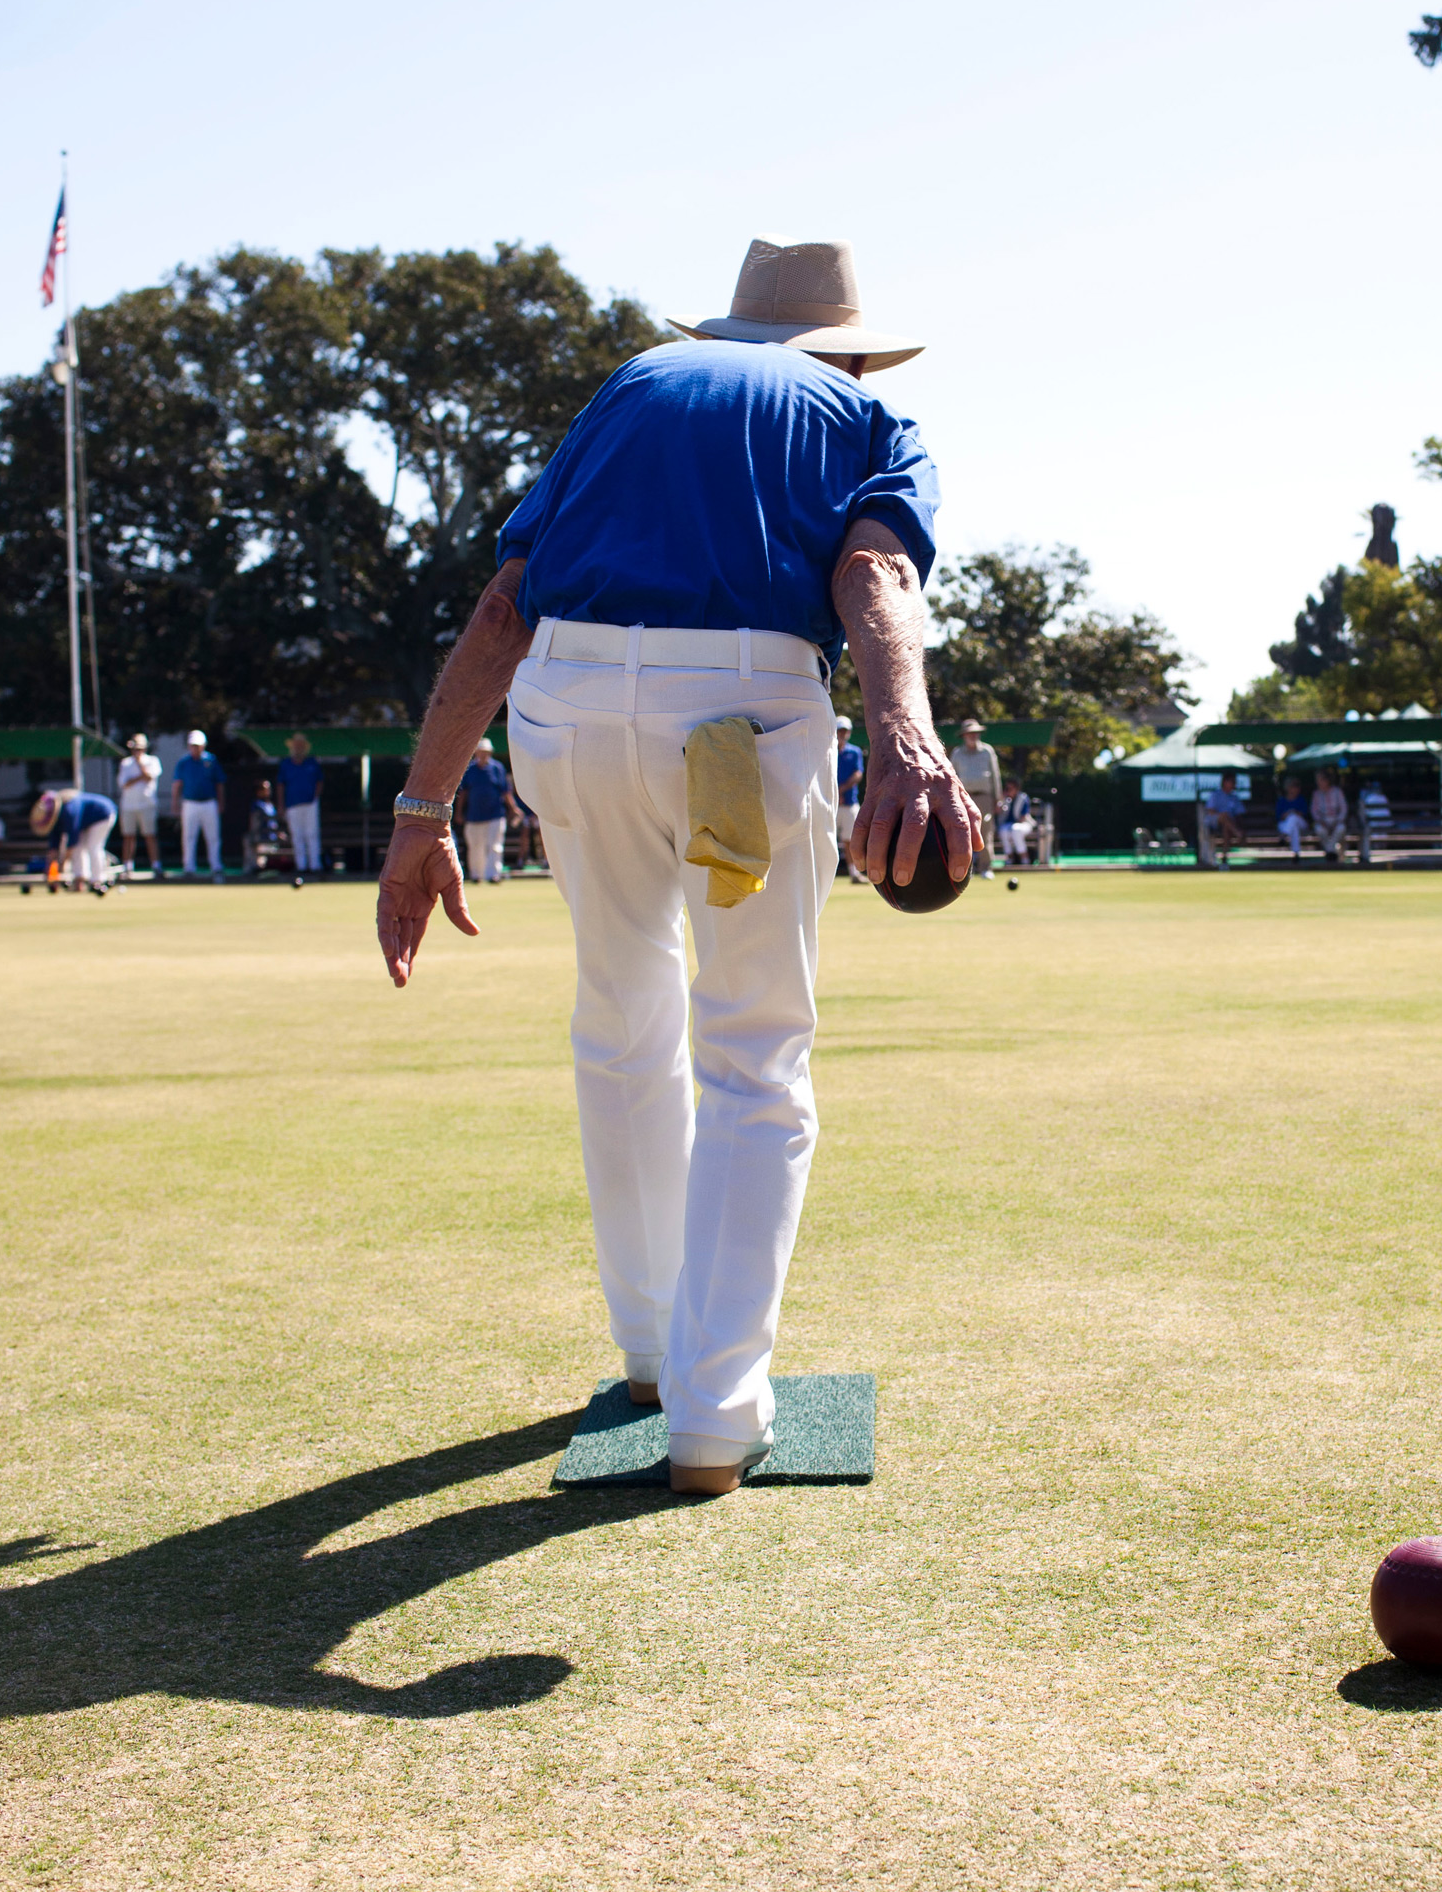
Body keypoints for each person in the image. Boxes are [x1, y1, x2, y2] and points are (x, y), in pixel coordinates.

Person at [374, 235, 974, 1497]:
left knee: (620, 1014)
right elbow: (869, 570)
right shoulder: (867, 411)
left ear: (726, 333)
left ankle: (649, 1354)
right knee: (753, 1051)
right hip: (742, 715)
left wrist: (422, 812)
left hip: (568, 706)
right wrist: (906, 736)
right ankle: (713, 1414)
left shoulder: (632, 389)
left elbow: (504, 608)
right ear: (847, 346)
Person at [32, 787, 116, 892]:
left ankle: (98, 880)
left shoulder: (69, 811)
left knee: (93, 846)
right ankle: (79, 880)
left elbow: (72, 842)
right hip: (86, 822)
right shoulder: (54, 820)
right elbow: (54, 847)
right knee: (79, 848)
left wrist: (62, 865)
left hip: (103, 814)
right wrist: (49, 867)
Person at [950, 719, 1001, 876]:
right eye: (969, 733)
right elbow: (951, 777)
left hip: (984, 797)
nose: (973, 736)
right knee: (963, 833)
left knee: (986, 832)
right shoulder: (957, 753)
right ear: (964, 735)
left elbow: (995, 775)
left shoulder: (987, 751)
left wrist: (998, 798)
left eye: (975, 733)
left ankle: (986, 868)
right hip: (964, 798)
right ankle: (966, 868)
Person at [458, 739, 514, 884]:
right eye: (481, 752)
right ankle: (477, 875)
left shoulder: (497, 768)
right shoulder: (469, 769)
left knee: (495, 846)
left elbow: (505, 791)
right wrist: (458, 812)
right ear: (476, 752)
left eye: (486, 752)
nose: (484, 755)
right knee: (475, 846)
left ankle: (493, 875)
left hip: (495, 814)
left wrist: (513, 808)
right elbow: (463, 793)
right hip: (474, 815)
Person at [172, 729, 225, 878]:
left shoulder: (211, 760)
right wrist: (174, 803)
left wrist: (221, 802)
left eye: (198, 745)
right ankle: (189, 867)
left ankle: (216, 866)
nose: (195, 748)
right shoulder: (183, 762)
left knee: (213, 836)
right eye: (193, 745)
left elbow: (219, 783)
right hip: (190, 804)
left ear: (204, 745)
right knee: (189, 836)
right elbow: (177, 784)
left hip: (209, 803)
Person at [114, 733, 164, 878]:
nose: (137, 751)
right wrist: (139, 778)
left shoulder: (152, 761)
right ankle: (127, 866)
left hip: (147, 804)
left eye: (140, 748)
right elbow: (124, 784)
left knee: (150, 836)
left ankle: (156, 866)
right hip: (128, 806)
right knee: (128, 836)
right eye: (135, 749)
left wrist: (140, 767)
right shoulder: (125, 763)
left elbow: (149, 777)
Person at [276, 735, 324, 878]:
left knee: (312, 834)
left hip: (310, 804)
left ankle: (315, 866)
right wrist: (281, 805)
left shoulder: (312, 763)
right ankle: (301, 866)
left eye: (300, 745)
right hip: (292, 805)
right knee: (297, 836)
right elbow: (280, 785)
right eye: (296, 745)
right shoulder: (285, 764)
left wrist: (315, 798)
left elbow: (319, 781)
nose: (298, 748)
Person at [833, 714, 864, 875]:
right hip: (830, 804)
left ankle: (854, 873)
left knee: (850, 840)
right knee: (827, 839)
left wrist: (842, 790)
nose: (842, 734)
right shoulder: (828, 751)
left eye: (845, 731)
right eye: (840, 731)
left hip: (850, 802)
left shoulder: (855, 751)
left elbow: (858, 774)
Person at [1200, 771, 1245, 859]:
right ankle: (1238, 834)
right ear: (1225, 782)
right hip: (1214, 821)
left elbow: (1240, 813)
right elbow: (1210, 811)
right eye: (1232, 782)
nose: (1234, 784)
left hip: (1228, 824)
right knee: (1224, 816)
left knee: (1226, 827)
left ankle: (1225, 857)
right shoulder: (1215, 795)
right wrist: (1223, 815)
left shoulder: (1234, 797)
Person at [247, 780, 284, 877]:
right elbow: (254, 823)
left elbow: (273, 823)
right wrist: (255, 837)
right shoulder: (257, 805)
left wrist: (278, 833)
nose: (267, 791)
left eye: (268, 789)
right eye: (264, 789)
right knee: (261, 865)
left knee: (272, 865)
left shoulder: (270, 805)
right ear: (258, 791)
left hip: (272, 839)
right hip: (262, 839)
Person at [1310, 770, 1348, 861]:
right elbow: (1314, 811)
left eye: (1321, 780)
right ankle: (1332, 852)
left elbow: (1343, 808)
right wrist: (1321, 821)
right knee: (1319, 830)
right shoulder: (1316, 794)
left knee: (1341, 829)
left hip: (1336, 820)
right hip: (1323, 821)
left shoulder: (1337, 792)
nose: (1318, 782)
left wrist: (1338, 820)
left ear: (1327, 780)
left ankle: (1330, 852)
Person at [1273, 776, 1311, 858]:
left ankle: (1284, 835)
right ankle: (1296, 853)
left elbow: (1304, 814)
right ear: (1287, 788)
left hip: (1301, 823)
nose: (1296, 789)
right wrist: (1287, 814)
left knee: (1294, 818)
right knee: (1294, 826)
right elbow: (1279, 817)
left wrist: (1293, 812)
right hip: (1285, 824)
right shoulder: (1282, 801)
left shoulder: (1301, 800)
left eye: (1297, 787)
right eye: (1293, 787)